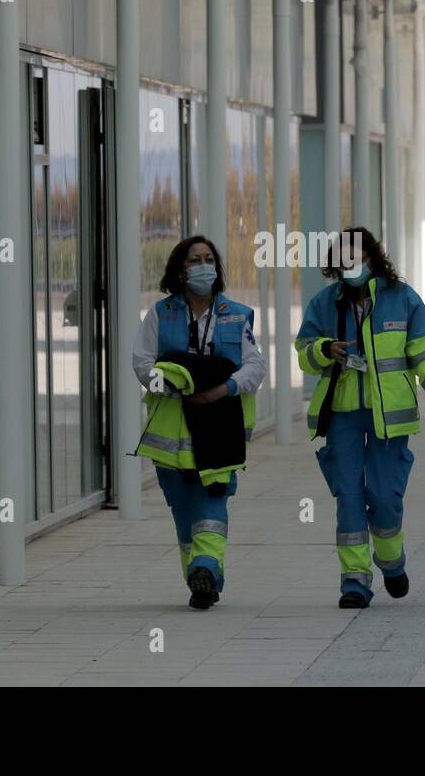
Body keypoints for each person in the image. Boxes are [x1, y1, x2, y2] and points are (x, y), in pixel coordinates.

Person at [295, 227, 425, 609]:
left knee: (384, 498)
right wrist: (324, 349)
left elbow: (423, 351)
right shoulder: (324, 304)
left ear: (372, 258)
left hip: (390, 417)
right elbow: (303, 350)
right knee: (348, 497)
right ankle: (355, 581)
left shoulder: (402, 299)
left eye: (358, 257)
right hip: (342, 413)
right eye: (344, 260)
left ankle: (391, 562)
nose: (352, 266)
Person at [132, 236, 266, 610]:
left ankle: (206, 567)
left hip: (220, 431)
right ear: (180, 269)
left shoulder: (236, 314)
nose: (203, 266)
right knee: (186, 513)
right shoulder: (162, 313)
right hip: (172, 437)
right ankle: (199, 577)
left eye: (209, 259)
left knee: (212, 504)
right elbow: (142, 363)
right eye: (195, 260)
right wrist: (172, 383)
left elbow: (255, 367)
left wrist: (223, 389)